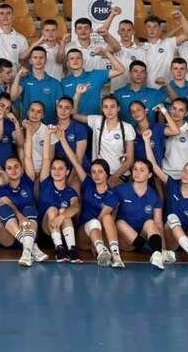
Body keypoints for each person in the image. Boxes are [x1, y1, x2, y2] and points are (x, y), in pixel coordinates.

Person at [35, 130, 82, 263]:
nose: (56, 171)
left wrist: (62, 216)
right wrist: (48, 134)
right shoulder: (46, 183)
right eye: (54, 168)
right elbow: (46, 159)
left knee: (63, 211)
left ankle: (72, 250)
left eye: (61, 168)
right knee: (53, 209)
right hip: (46, 231)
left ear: (67, 172)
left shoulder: (70, 192)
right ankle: (59, 249)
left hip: (63, 230)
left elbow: (76, 206)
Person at [112, 158, 167, 269]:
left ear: (149, 175)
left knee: (150, 222)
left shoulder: (154, 196)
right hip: (124, 241)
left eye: (142, 170)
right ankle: (153, 251)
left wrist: (164, 248)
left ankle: (158, 253)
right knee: (119, 223)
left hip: (143, 235)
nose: (137, 172)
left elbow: (158, 224)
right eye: (135, 169)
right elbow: (111, 217)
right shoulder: (120, 190)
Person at [72, 91, 136, 183]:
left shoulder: (127, 127)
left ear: (118, 108)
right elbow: (73, 115)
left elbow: (130, 160)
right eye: (106, 107)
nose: (109, 110)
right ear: (102, 109)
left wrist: (114, 177)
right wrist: (78, 94)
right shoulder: (97, 120)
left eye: (112, 106)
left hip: (119, 174)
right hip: (98, 174)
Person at [73, 158, 124, 268]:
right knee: (94, 222)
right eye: (93, 172)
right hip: (84, 236)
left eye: (100, 171)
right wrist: (64, 144)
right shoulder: (88, 184)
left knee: (106, 217)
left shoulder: (112, 194)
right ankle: (101, 250)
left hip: (100, 236)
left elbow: (101, 218)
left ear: (107, 174)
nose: (96, 175)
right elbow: (76, 163)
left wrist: (96, 241)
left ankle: (116, 256)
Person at [61, 47, 125, 116]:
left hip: (94, 121)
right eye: (72, 58)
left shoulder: (95, 75)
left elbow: (120, 70)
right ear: (67, 63)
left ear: (83, 61)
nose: (75, 60)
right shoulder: (64, 82)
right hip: (73, 120)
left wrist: (106, 53)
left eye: (78, 58)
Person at [11, 47, 63, 124]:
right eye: (35, 57)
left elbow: (60, 108)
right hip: (28, 126)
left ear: (46, 60)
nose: (38, 61)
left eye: (41, 58)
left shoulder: (55, 83)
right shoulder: (24, 80)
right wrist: (18, 76)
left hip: (48, 126)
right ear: (30, 60)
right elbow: (13, 97)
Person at [142, 12, 188, 88]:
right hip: (148, 90)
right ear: (145, 29)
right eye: (149, 27)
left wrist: (181, 17)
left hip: (168, 89)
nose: (152, 29)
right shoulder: (140, 48)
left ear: (160, 29)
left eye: (155, 26)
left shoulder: (168, 43)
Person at [111, 18, 149, 91]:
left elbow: (144, 73)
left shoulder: (141, 51)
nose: (126, 33)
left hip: (136, 92)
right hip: (116, 90)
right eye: (123, 30)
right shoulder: (112, 49)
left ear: (133, 32)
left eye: (129, 30)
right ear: (118, 32)